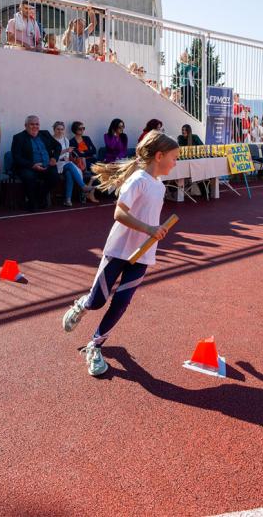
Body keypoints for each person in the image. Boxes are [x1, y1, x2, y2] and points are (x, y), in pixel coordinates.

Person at [61, 132, 180, 376]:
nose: (175, 162)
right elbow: (119, 214)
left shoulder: (159, 185)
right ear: (159, 156)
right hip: (118, 250)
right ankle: (83, 304)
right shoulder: (138, 180)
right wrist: (149, 229)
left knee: (121, 302)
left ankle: (95, 346)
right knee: (97, 302)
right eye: (174, 157)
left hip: (143, 255)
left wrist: (155, 233)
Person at [11, 115, 61, 211]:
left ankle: (38, 198)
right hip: (28, 166)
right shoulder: (19, 137)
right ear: (25, 125)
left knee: (55, 177)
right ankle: (33, 202)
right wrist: (32, 165)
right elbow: (16, 157)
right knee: (29, 177)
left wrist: (55, 158)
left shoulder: (45, 134)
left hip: (47, 165)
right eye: (32, 124)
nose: (35, 126)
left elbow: (58, 146)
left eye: (37, 124)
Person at [52, 121, 98, 206]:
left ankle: (68, 200)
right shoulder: (51, 140)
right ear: (54, 129)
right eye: (58, 129)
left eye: (62, 129)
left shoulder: (65, 140)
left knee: (69, 173)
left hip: (65, 163)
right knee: (69, 165)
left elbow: (68, 154)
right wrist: (65, 151)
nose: (60, 131)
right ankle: (83, 187)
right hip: (56, 163)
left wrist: (66, 155)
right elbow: (52, 155)